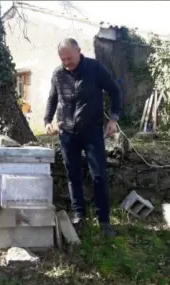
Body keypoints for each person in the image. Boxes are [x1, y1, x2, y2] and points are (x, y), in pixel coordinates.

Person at [44, 38, 122, 238]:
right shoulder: (58, 73)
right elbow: (53, 98)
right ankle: (79, 216)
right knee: (73, 175)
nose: (66, 62)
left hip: (92, 131)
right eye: (63, 59)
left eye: (69, 57)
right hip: (67, 133)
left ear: (79, 51)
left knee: (99, 175)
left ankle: (104, 220)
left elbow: (115, 92)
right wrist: (47, 120)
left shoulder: (94, 68)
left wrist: (113, 119)